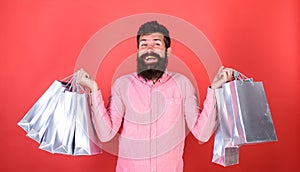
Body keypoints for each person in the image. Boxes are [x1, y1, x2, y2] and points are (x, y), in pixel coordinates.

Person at [77, 21, 233, 172]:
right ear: (138, 51)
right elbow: (105, 134)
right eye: (144, 44)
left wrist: (214, 89)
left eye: (157, 43)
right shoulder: (122, 85)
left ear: (168, 51)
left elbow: (202, 134)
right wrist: (93, 89)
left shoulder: (182, 84)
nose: (149, 49)